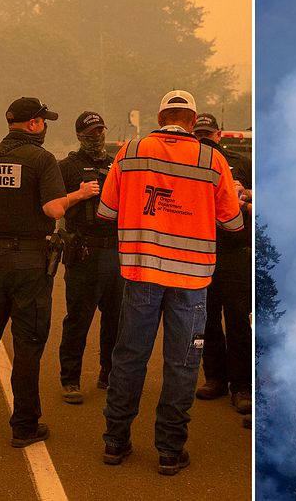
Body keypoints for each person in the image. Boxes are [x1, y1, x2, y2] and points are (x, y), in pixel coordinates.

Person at [98, 90, 244, 475]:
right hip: (192, 280)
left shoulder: (130, 151)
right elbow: (233, 223)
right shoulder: (212, 158)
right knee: (181, 364)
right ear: (193, 122)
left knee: (129, 357)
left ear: (160, 116)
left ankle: (115, 442)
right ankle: (169, 450)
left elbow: (106, 210)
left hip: (141, 273)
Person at [0, 96, 96, 448]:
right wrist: (75, 196)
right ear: (33, 125)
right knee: (27, 345)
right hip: (30, 266)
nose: (45, 127)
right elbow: (52, 208)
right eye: (44, 122)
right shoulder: (41, 160)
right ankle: (24, 426)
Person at [57, 111, 124, 404]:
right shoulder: (66, 168)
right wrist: (79, 195)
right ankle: (70, 379)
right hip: (84, 252)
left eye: (100, 131)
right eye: (90, 133)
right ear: (79, 136)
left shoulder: (117, 164)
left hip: (116, 251)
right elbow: (52, 206)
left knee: (116, 319)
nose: (97, 137)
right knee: (78, 319)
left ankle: (108, 373)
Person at [191, 113, 254, 419]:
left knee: (240, 320)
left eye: (208, 134)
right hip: (202, 250)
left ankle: (243, 386)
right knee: (206, 320)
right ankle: (215, 376)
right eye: (199, 134)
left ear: (218, 135)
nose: (204, 139)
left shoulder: (242, 161)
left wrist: (246, 196)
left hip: (236, 250)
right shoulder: (188, 162)